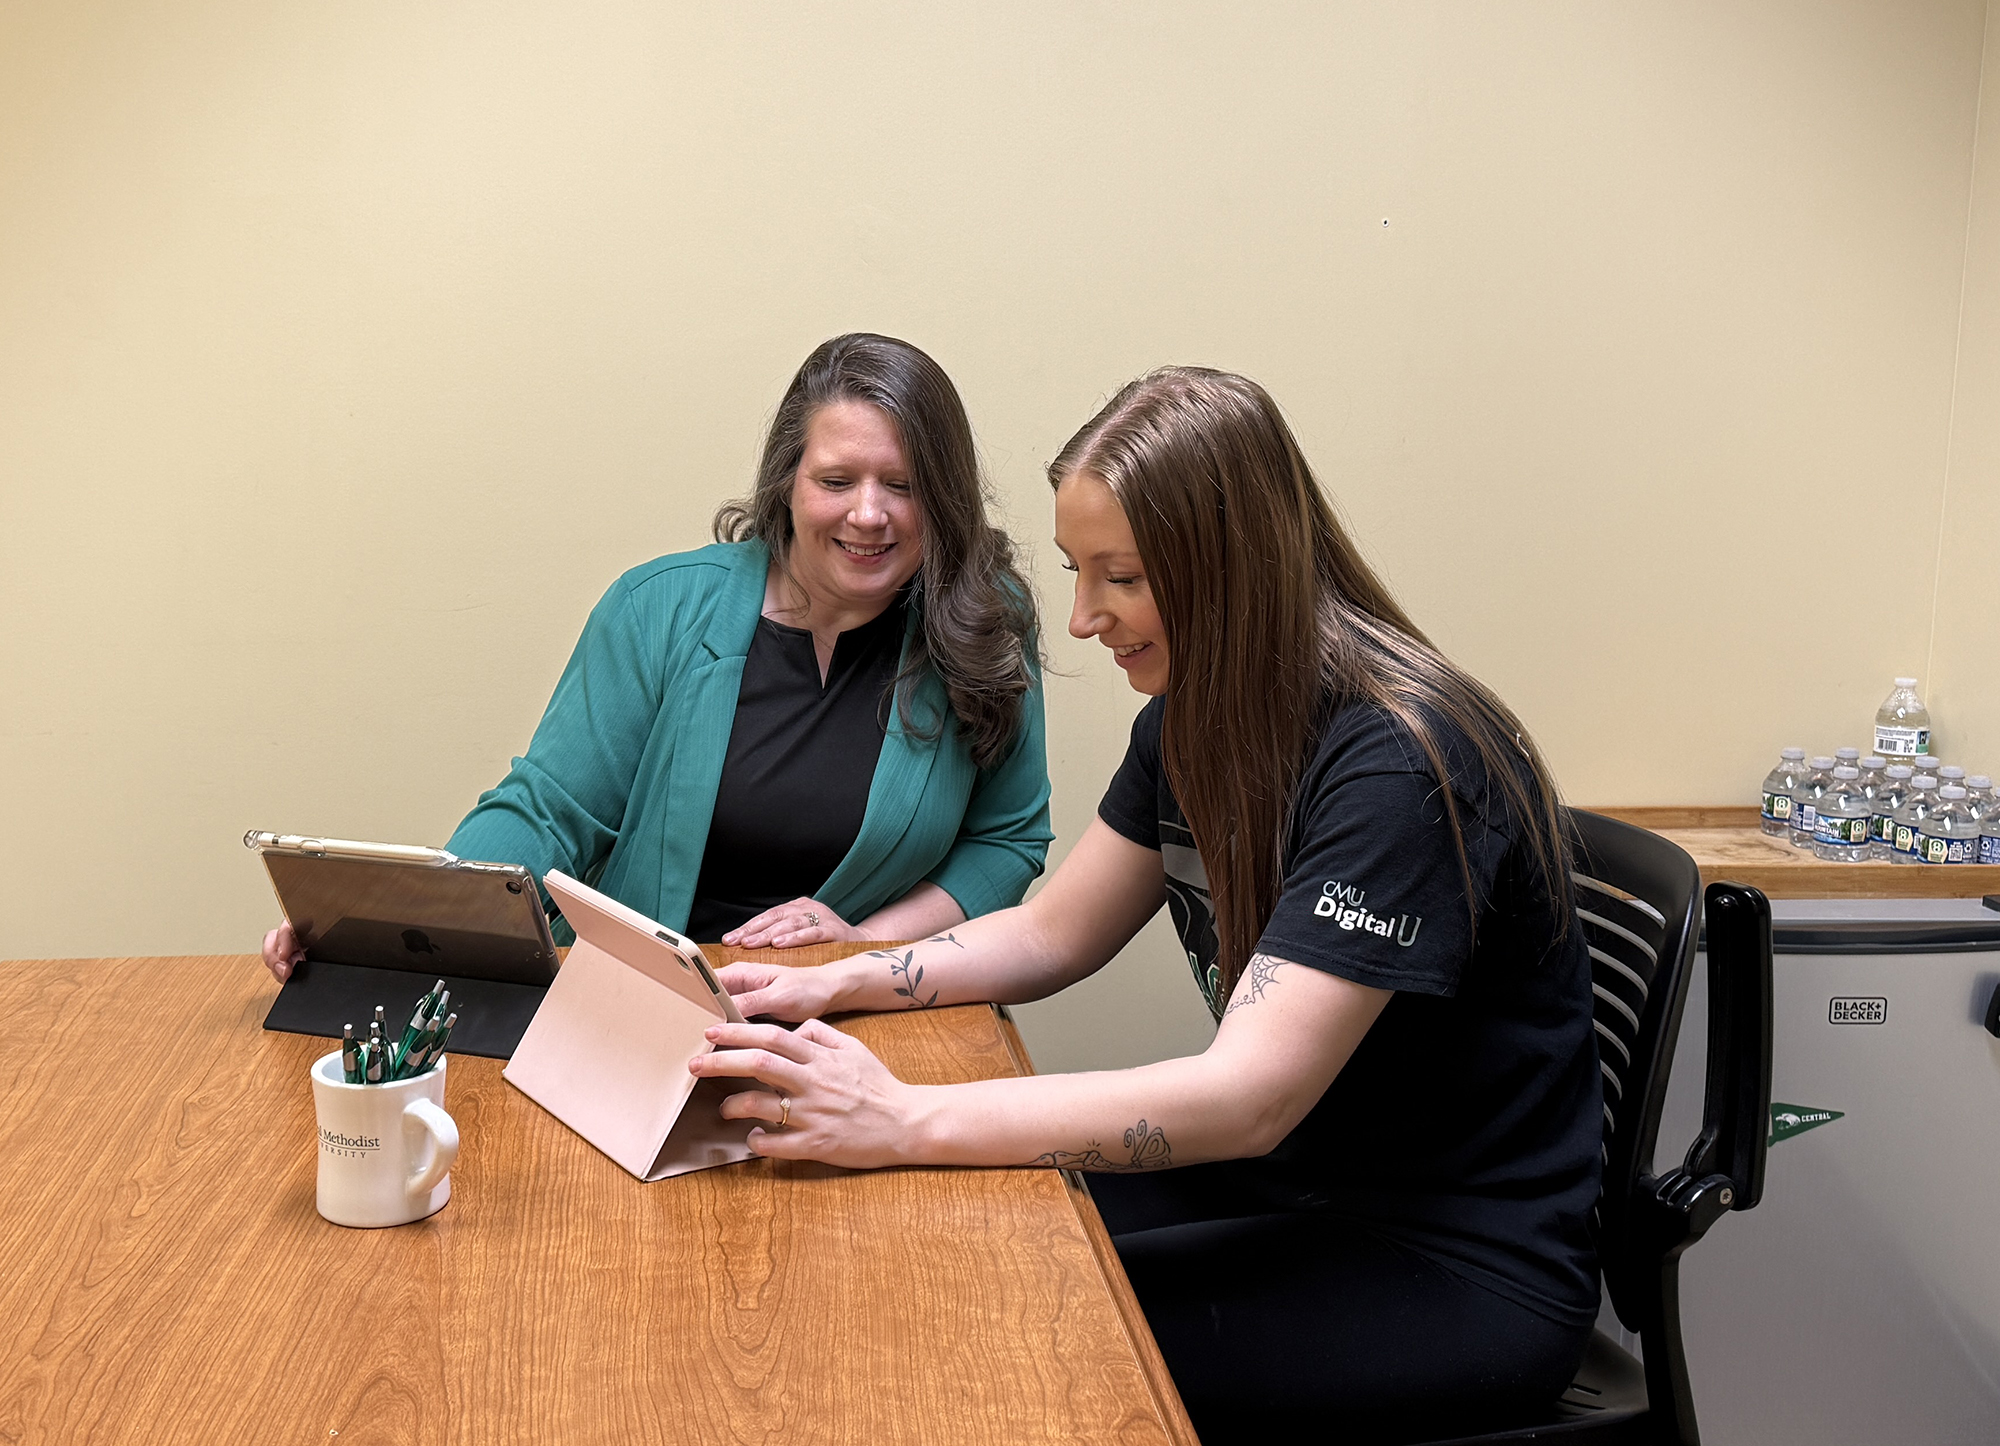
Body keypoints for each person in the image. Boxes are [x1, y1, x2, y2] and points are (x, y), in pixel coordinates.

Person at [691, 367, 1601, 1443]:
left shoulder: (1396, 765)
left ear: (1230, 570)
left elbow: (1247, 1096)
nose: (1080, 620)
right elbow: (1049, 931)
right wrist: (843, 976)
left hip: (1454, 1263)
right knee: (925, 1244)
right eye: (1079, 573)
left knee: (1004, 1341)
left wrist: (906, 1117)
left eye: (1117, 578)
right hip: (1291, 1185)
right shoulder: (1187, 721)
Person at [263, 333, 1051, 980]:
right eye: (836, 480)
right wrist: (395, 927)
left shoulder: (987, 621)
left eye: (903, 485)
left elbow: (1008, 839)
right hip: (649, 1006)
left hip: (865, 1008)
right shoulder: (657, 609)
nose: (869, 514)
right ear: (786, 484)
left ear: (943, 496)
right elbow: (549, 812)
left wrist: (863, 943)